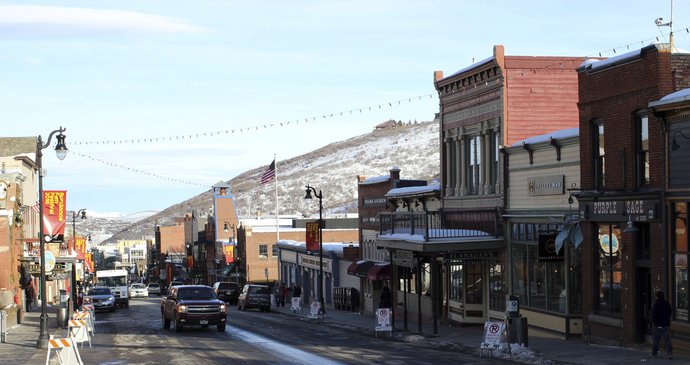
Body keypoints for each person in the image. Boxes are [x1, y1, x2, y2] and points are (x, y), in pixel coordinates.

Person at [651, 291, 673, 359]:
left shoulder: (656, 305)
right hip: (666, 325)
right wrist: (667, 320)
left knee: (656, 340)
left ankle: (654, 354)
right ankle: (669, 354)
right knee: (667, 340)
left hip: (658, 325)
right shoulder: (666, 303)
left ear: (657, 297)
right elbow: (670, 312)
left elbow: (654, 315)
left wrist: (655, 322)